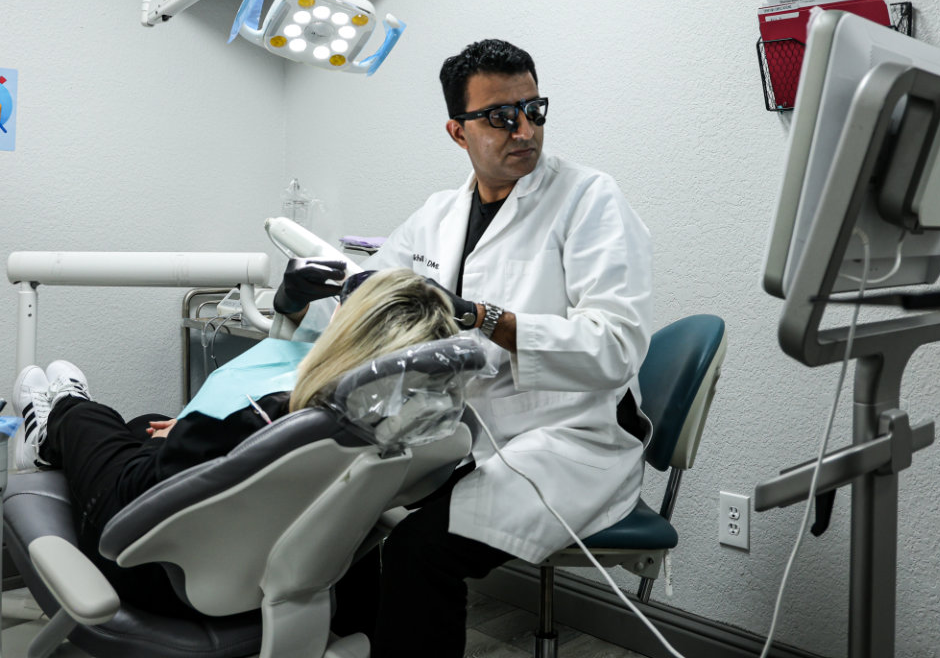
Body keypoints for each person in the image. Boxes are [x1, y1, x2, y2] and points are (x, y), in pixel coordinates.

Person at [288, 38, 653, 658]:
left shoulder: (589, 199)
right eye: (501, 117)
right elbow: (374, 297)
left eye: (534, 109)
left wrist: (484, 318)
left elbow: (614, 346)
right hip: (455, 433)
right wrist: (305, 295)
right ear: (458, 132)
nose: (525, 130)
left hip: (562, 441)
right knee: (337, 518)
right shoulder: (436, 216)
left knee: (418, 552)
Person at [12, 268, 458, 617]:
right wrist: (190, 432)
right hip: (297, 574)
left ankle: (54, 419)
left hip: (153, 567)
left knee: (92, 417)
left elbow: (182, 472)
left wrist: (197, 431)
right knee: (147, 422)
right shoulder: (399, 428)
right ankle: (64, 425)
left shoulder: (269, 419)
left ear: (348, 331)